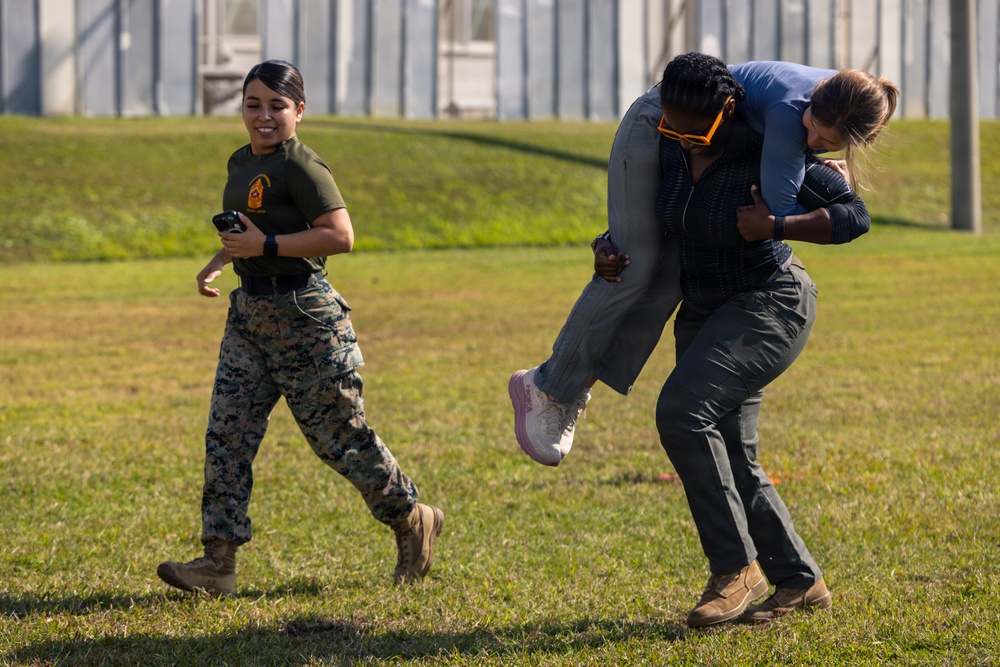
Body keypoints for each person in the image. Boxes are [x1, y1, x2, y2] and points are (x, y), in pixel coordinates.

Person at [509, 58, 897, 466]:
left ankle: (568, 389)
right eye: (811, 126)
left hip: (705, 118)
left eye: (825, 141)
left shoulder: (829, 107)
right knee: (632, 264)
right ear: (814, 98)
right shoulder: (774, 116)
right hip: (676, 105)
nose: (811, 138)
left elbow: (843, 212)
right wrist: (610, 238)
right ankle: (550, 387)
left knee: (664, 283)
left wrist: (814, 186)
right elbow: (778, 204)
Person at [156, 60, 443, 596]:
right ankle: (218, 563)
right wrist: (222, 258)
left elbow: (340, 236)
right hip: (249, 315)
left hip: (304, 318)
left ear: (299, 110)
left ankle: (412, 517)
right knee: (227, 436)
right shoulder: (241, 162)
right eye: (253, 104)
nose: (263, 116)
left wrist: (263, 246)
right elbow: (255, 230)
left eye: (277, 105)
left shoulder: (303, 166)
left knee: (339, 439)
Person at [642, 52, 872, 627]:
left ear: (728, 111)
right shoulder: (670, 148)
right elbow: (653, 219)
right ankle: (799, 580)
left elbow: (855, 215)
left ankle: (735, 570)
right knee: (728, 448)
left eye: (696, 130)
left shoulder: (769, 144)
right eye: (673, 127)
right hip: (702, 308)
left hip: (769, 302)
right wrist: (609, 247)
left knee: (681, 413)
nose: (684, 138)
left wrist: (777, 225)